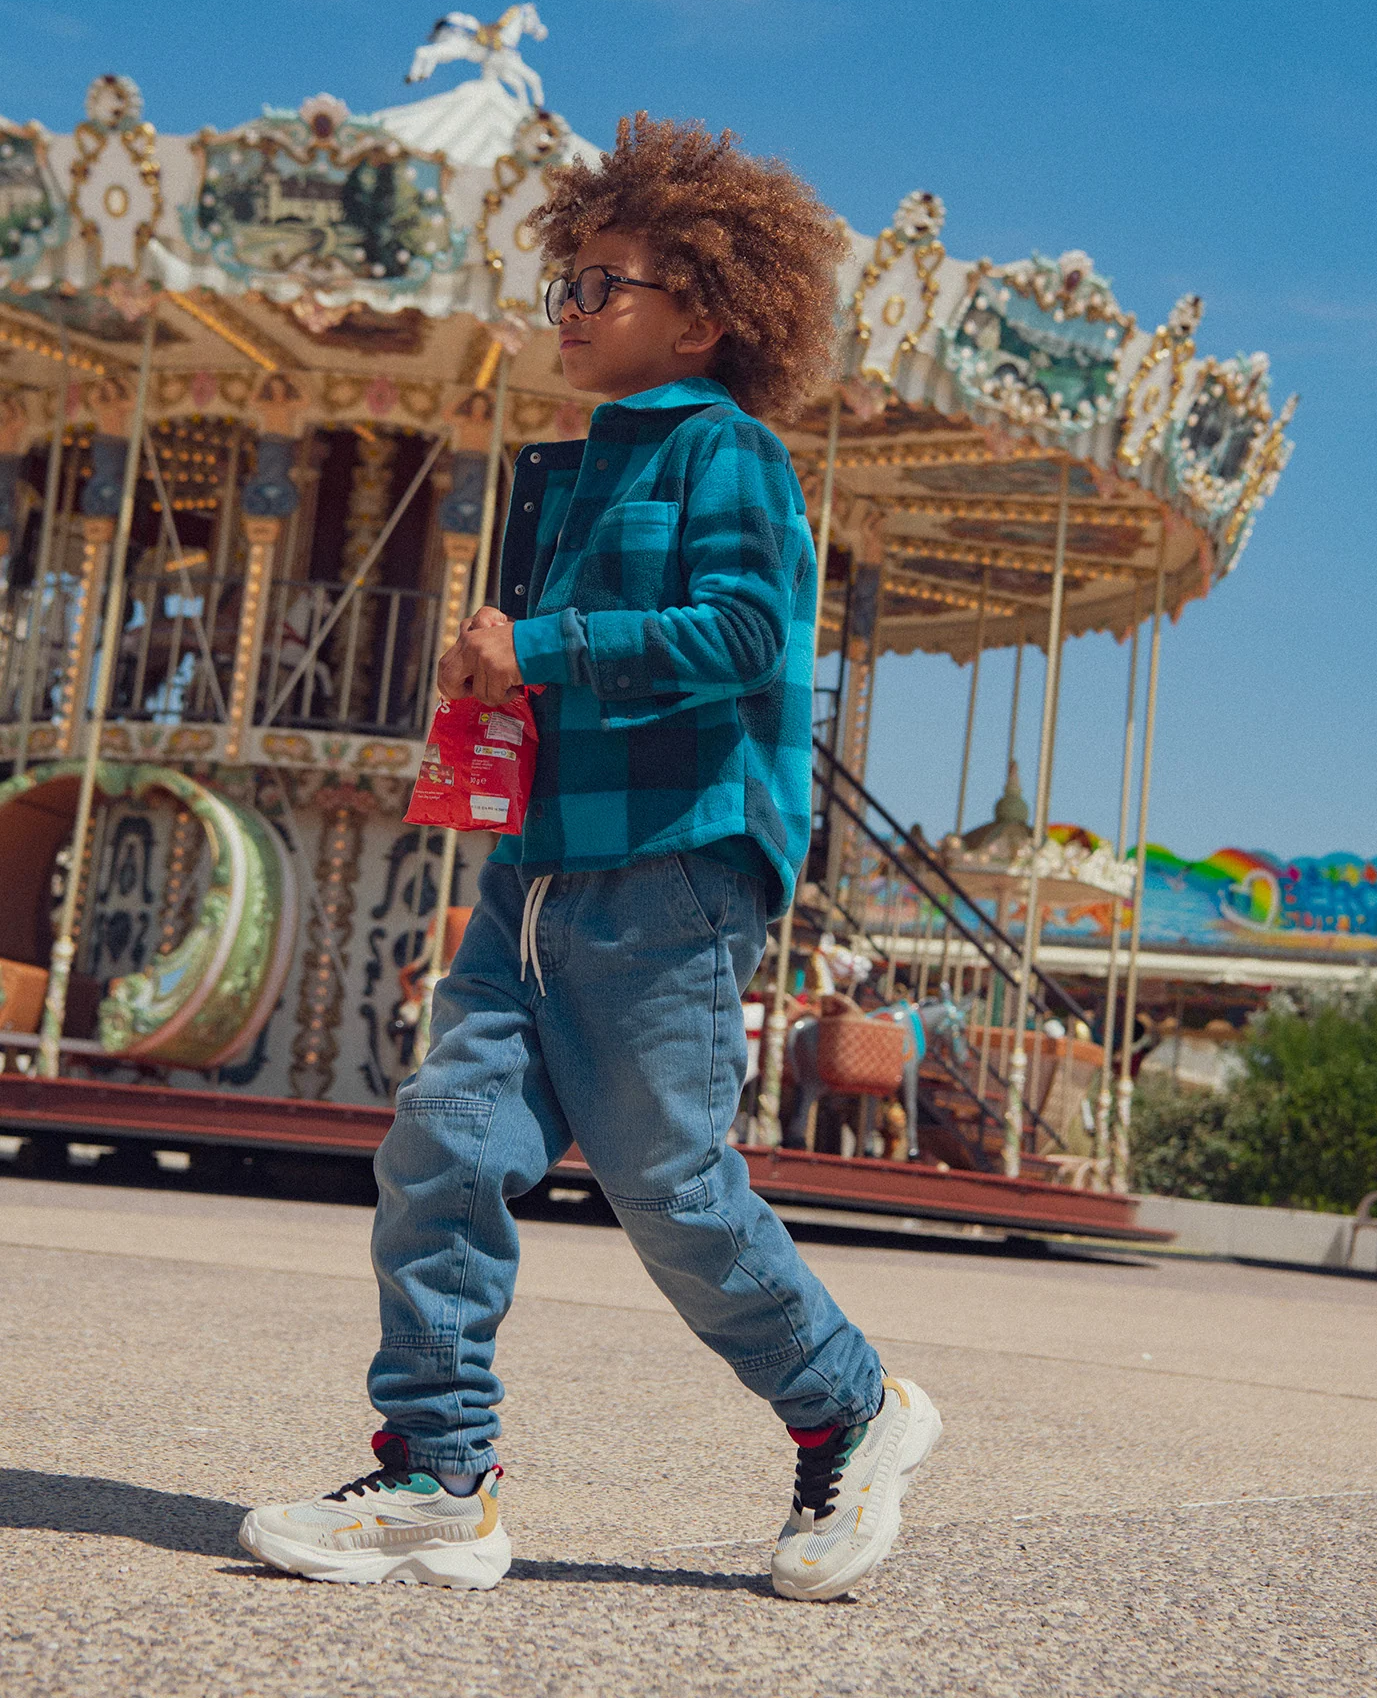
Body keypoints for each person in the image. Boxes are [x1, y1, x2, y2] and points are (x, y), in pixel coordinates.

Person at [238, 115, 941, 1601]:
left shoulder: (728, 452)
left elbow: (751, 637)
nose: (567, 306)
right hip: (543, 870)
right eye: (565, 278)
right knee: (441, 1143)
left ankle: (852, 1408)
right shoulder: (586, 468)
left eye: (598, 283)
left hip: (672, 868)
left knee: (672, 1187)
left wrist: (542, 646)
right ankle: (438, 1477)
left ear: (702, 308)